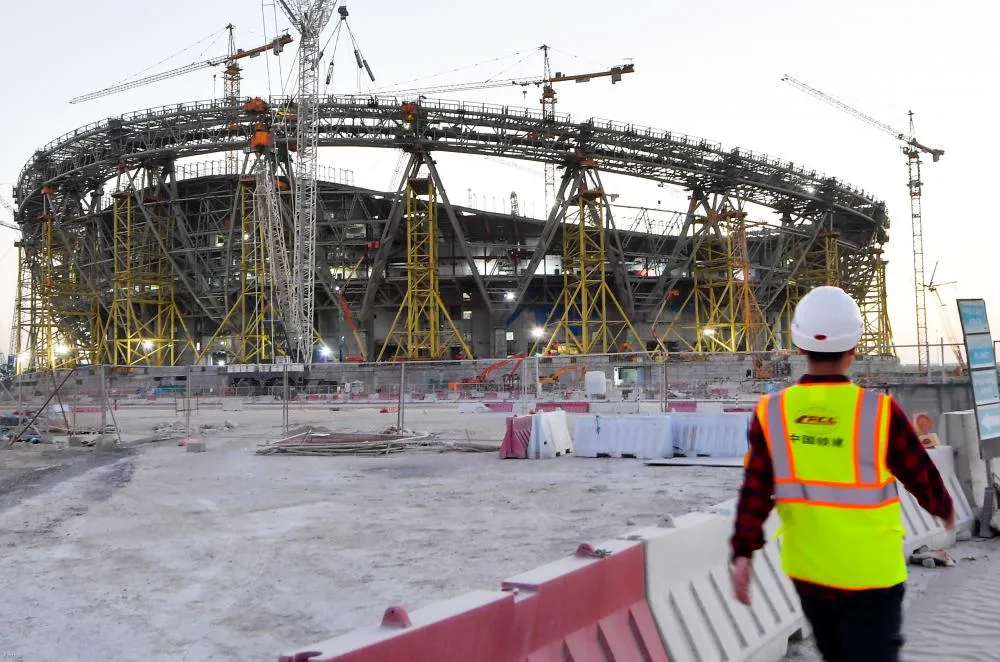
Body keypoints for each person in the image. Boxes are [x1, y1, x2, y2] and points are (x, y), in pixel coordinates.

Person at [728, 286, 956, 662]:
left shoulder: (772, 413)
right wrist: (943, 507)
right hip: (873, 576)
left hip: (811, 575)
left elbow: (755, 491)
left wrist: (742, 554)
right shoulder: (879, 412)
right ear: (854, 348)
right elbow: (920, 472)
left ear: (800, 346)